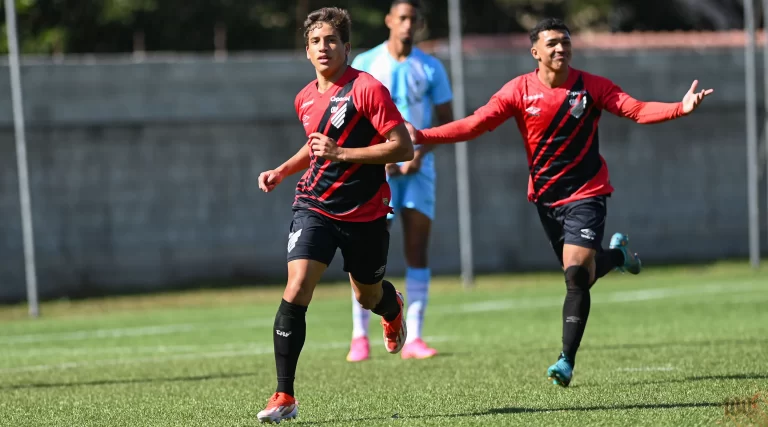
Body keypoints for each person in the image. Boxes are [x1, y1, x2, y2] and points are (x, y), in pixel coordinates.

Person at [406, 17, 713, 387]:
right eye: (551, 43)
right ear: (535, 52)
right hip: (546, 200)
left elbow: (635, 109)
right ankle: (617, 256)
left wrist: (679, 107)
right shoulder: (518, 90)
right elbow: (475, 124)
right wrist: (421, 135)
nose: (560, 48)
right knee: (581, 274)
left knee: (575, 277)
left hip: (588, 192)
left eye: (565, 42)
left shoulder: (591, 87)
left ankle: (565, 360)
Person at [255, 7, 415, 423]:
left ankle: (391, 307)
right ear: (306, 51)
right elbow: (315, 146)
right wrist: (281, 170)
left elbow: (402, 148)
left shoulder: (367, 89)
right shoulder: (304, 98)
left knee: (367, 296)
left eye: (331, 40)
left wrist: (343, 153)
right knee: (297, 287)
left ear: (347, 47)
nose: (323, 47)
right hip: (314, 206)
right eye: (315, 41)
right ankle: (284, 394)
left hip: (365, 213)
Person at [345, 0, 454, 363]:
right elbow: (351, 121)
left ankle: (416, 337)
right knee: (364, 253)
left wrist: (417, 154)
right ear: (390, 20)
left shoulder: (431, 66)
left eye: (414, 18)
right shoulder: (365, 64)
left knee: (417, 249)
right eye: (402, 17)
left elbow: (446, 122)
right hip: (377, 172)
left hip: (420, 170)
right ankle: (359, 336)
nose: (408, 24)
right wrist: (383, 158)